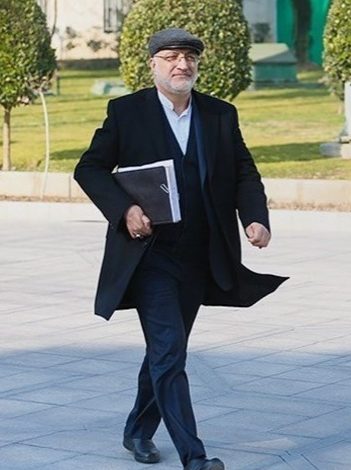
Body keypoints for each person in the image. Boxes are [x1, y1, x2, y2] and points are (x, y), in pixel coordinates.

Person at [74, 28, 287, 470]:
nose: (181, 64)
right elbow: (89, 168)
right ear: (153, 64)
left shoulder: (220, 115)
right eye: (171, 57)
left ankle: (138, 430)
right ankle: (195, 457)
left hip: (199, 255)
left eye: (189, 57)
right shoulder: (126, 112)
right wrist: (125, 209)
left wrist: (255, 217)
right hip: (150, 255)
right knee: (170, 350)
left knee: (165, 351)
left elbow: (244, 173)